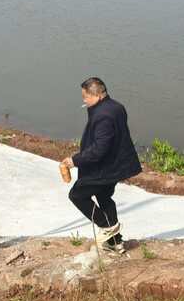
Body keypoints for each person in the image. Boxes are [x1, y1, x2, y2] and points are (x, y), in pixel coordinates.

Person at [61, 77, 142, 253]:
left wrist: (75, 160)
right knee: (104, 197)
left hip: (105, 168)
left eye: (85, 97)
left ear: (97, 95)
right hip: (117, 164)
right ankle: (115, 243)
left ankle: (107, 227)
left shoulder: (102, 115)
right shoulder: (116, 107)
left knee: (77, 195)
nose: (84, 101)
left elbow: (99, 149)